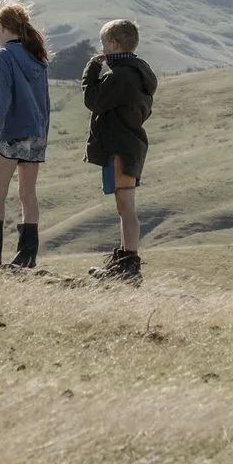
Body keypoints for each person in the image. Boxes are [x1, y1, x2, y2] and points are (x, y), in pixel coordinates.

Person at [0, 0, 52, 270]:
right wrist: (43, 133)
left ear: (2, 27)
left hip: (12, 134)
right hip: (36, 135)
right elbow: (45, 102)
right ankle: (27, 255)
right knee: (28, 195)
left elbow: (3, 99)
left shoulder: (3, 56)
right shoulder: (38, 57)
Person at [81, 17, 156, 283]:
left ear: (112, 44)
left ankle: (129, 266)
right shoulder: (139, 73)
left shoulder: (122, 76)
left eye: (103, 43)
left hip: (120, 146)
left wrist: (91, 69)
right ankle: (124, 261)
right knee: (125, 205)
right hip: (130, 144)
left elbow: (93, 100)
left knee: (125, 205)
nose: (101, 49)